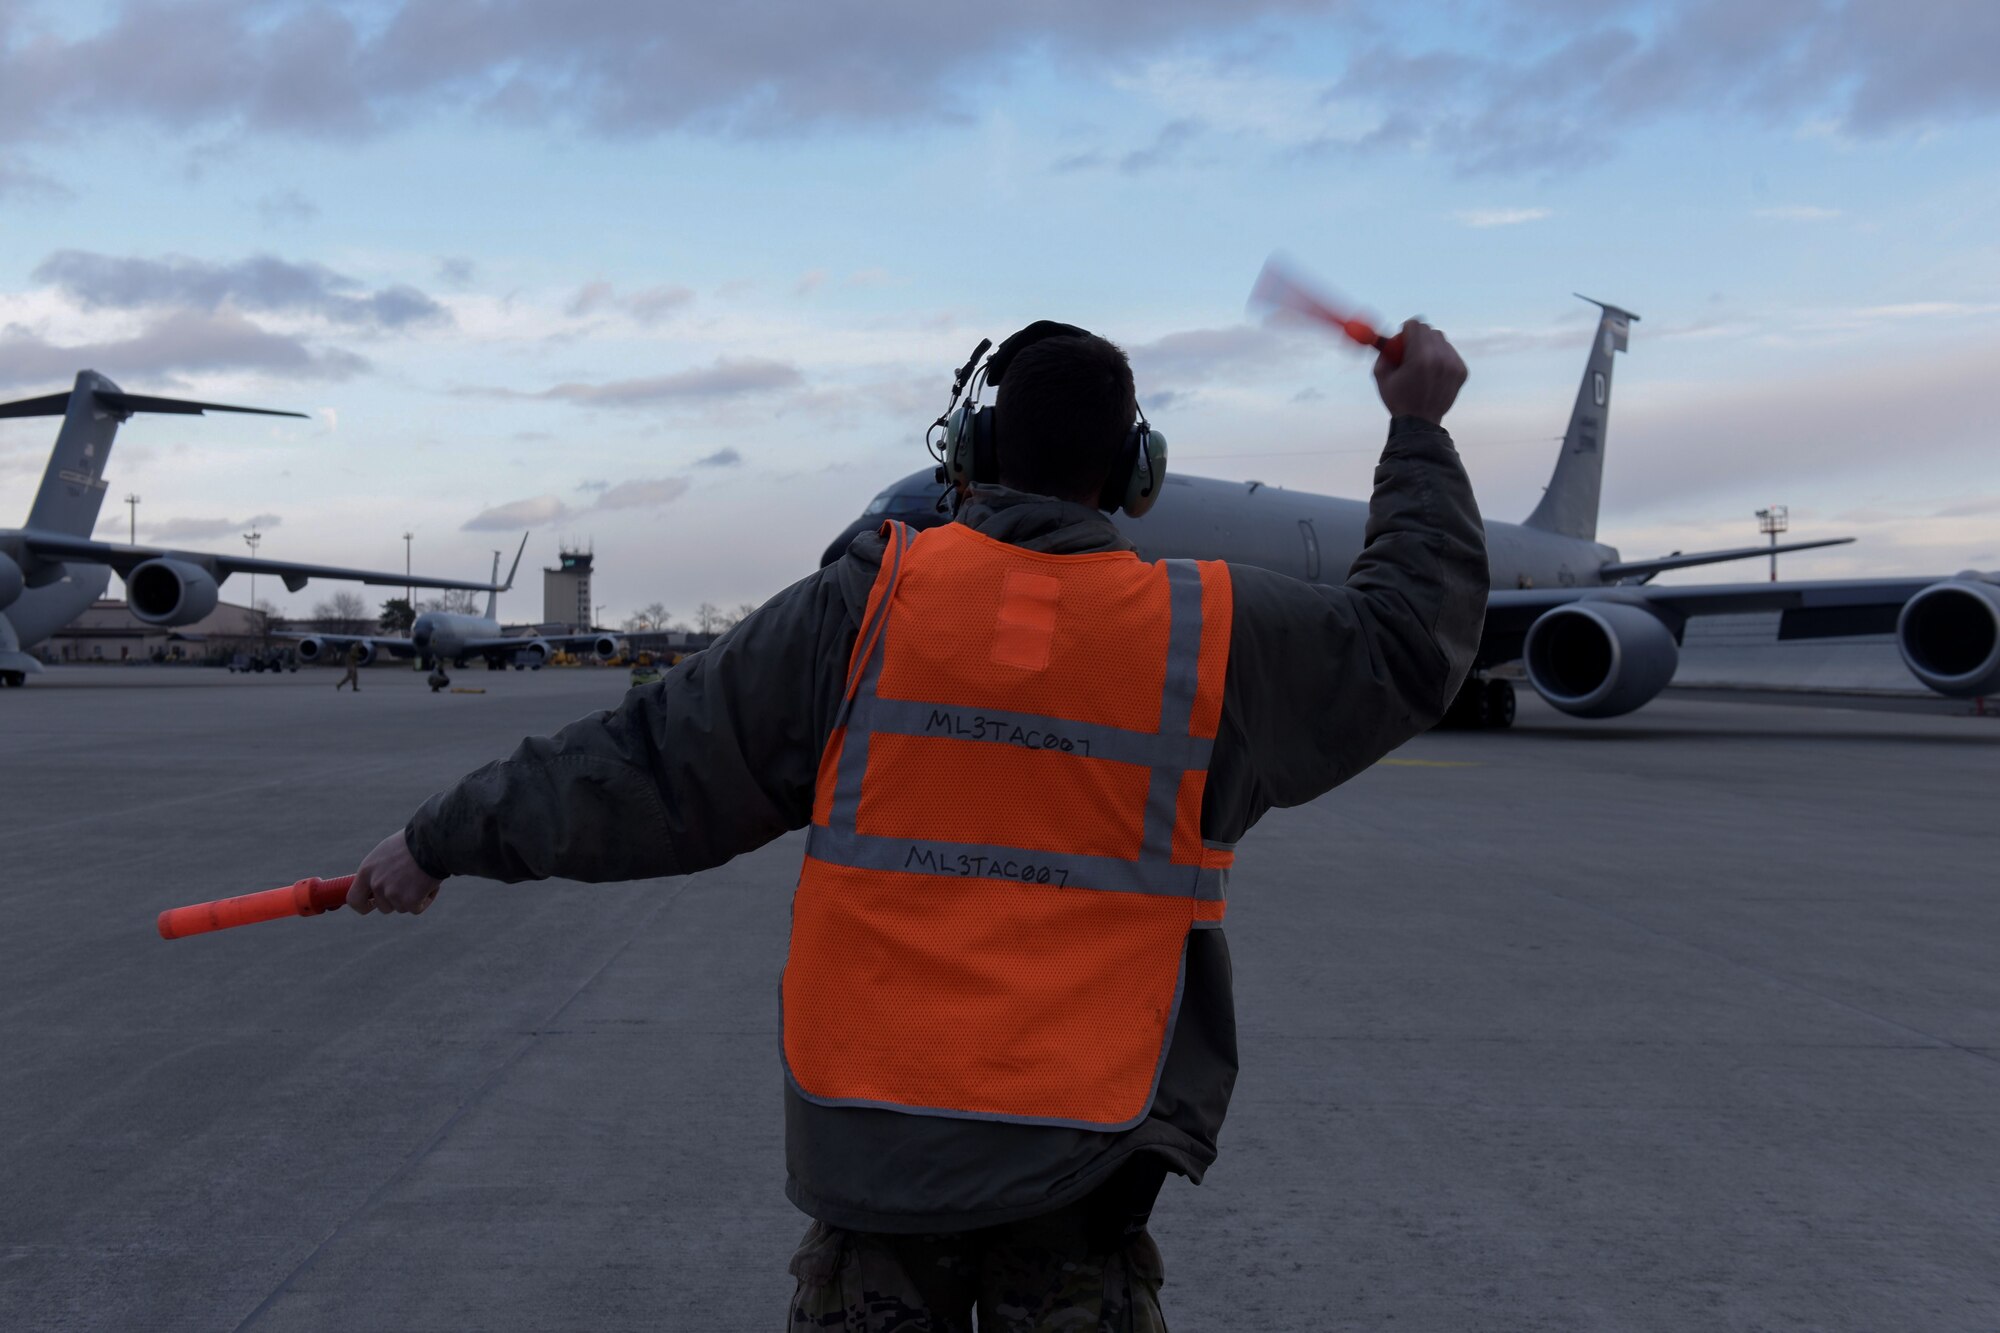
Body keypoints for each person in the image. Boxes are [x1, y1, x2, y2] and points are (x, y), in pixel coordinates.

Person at [346, 319, 1486, 1330]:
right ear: (1136, 473)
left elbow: (640, 766)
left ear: (968, 457)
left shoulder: (862, 605)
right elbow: (1405, 641)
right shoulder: (1207, 633)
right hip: (1086, 1146)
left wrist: (439, 838)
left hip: (874, 1142)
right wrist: (1417, 431)